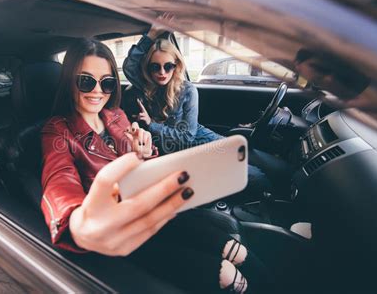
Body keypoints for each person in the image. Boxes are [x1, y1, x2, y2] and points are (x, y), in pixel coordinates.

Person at [41, 38, 272, 293]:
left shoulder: (115, 115)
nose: (98, 91)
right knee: (227, 275)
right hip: (125, 227)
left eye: (106, 83)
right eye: (86, 81)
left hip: (156, 206)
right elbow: (58, 180)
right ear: (69, 81)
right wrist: (78, 221)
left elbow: (143, 166)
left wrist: (145, 152)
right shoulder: (57, 132)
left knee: (237, 251)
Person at [122, 20, 272, 199]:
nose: (162, 72)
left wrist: (152, 124)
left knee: (251, 156)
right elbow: (129, 67)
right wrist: (151, 36)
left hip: (199, 140)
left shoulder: (187, 90)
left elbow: (188, 135)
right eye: (155, 67)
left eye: (168, 66)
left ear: (176, 65)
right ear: (149, 68)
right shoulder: (148, 86)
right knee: (256, 177)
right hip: (181, 151)